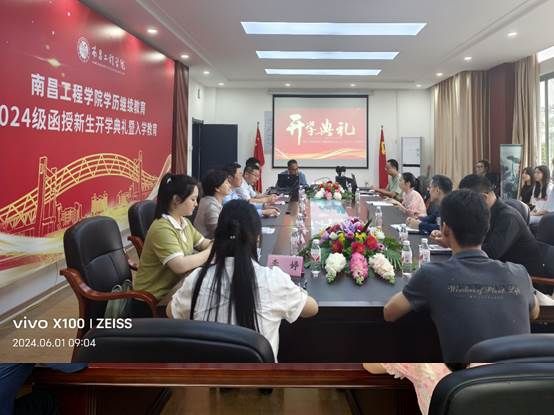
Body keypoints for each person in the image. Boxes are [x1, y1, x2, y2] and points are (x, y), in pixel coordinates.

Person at [384, 189, 539, 362]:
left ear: (445, 229)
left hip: (468, 378)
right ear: (487, 228)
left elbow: (390, 313)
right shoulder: (519, 273)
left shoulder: (431, 275)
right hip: (522, 377)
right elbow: (534, 313)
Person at [167, 200, 319, 359]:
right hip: (258, 374)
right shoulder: (272, 280)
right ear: (257, 239)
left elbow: (171, 312)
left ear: (218, 238)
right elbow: (312, 308)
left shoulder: (197, 279)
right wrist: (292, 289)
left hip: (210, 373)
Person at [454, 174, 554, 278]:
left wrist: (458, 246)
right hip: (502, 271)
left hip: (525, 278)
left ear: (484, 197)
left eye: (468, 202)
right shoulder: (485, 213)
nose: (466, 207)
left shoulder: (508, 217)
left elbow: (491, 253)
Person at [134, 173, 213, 301]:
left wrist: (214, 244)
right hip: (154, 298)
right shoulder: (162, 228)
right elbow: (180, 265)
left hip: (175, 289)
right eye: (193, 199)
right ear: (176, 200)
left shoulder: (184, 222)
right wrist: (211, 251)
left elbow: (203, 242)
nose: (196, 204)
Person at [194, 170, 231, 239]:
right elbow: (219, 232)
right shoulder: (211, 206)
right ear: (217, 188)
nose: (230, 185)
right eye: (226, 183)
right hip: (207, 243)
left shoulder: (208, 200)